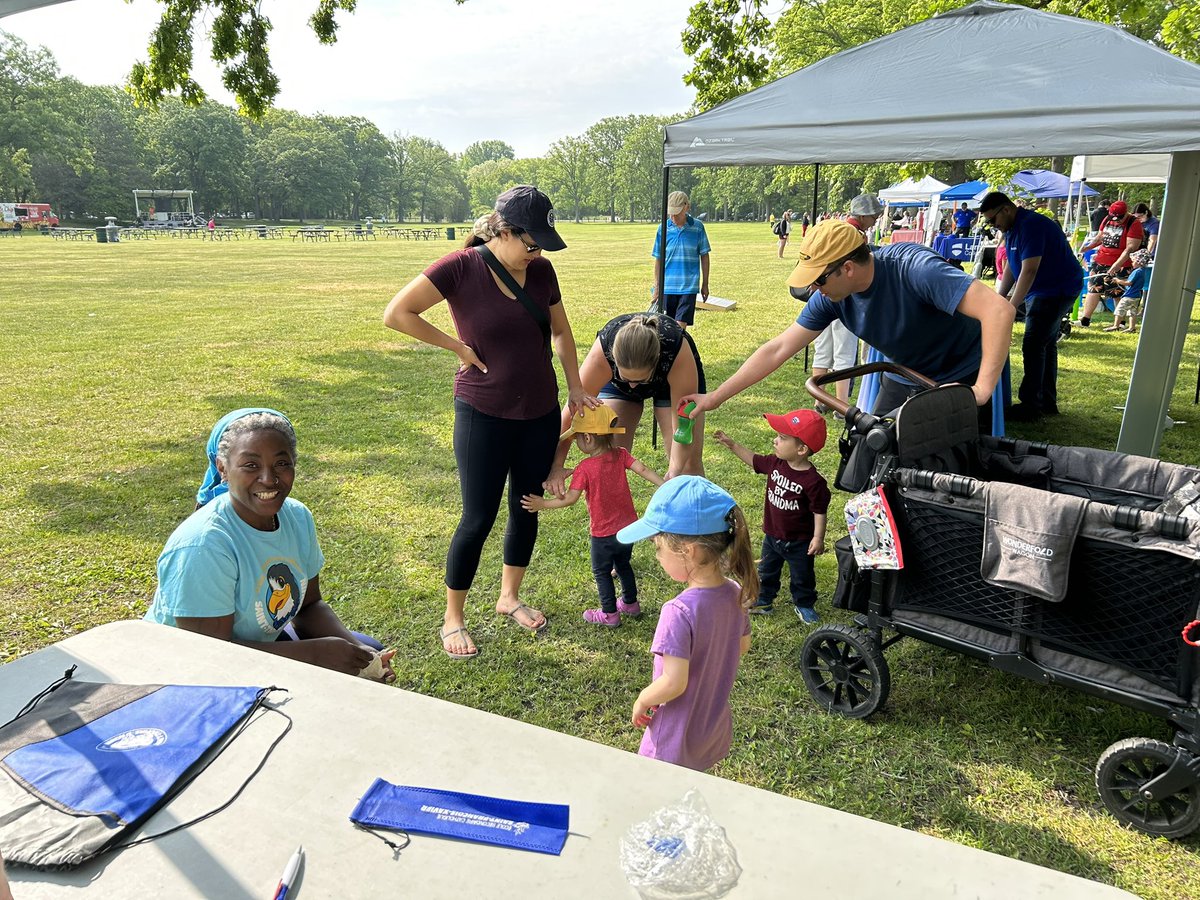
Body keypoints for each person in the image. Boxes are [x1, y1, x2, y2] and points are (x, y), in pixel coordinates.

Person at [383, 185, 593, 659]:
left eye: (542, 244)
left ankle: (508, 597)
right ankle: (452, 618)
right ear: (502, 230)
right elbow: (397, 313)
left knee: (527, 506)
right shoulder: (461, 268)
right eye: (530, 242)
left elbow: (560, 330)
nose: (536, 253)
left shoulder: (541, 271)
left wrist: (576, 386)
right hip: (483, 412)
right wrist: (456, 347)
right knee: (477, 517)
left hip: (539, 410)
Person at [146, 409, 396, 681]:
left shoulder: (297, 517)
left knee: (368, 650)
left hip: (251, 648)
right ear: (222, 468)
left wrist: (358, 651)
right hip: (185, 672)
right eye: (251, 465)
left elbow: (309, 605)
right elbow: (210, 655)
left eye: (281, 464)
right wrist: (313, 656)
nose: (268, 478)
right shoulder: (204, 545)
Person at [685, 220, 1015, 424]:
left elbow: (999, 311)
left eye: (819, 279)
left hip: (962, 374)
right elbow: (778, 349)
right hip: (905, 373)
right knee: (873, 450)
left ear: (847, 268)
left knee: (950, 474)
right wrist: (715, 397)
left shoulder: (914, 269)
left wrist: (980, 391)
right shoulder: (832, 297)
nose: (813, 289)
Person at [620, 476, 757, 772]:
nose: (657, 557)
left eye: (659, 547)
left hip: (673, 739)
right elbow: (742, 646)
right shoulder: (734, 592)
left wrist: (643, 699)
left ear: (689, 550)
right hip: (709, 729)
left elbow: (674, 682)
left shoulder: (678, 611)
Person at [521, 404, 662, 627]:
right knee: (623, 564)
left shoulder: (584, 468)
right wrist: (664, 485)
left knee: (602, 571)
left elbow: (570, 499)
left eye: (577, 438)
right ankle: (631, 604)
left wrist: (542, 504)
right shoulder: (621, 455)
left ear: (587, 438)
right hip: (628, 528)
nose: (576, 443)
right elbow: (643, 469)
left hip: (603, 533)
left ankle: (610, 614)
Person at [551, 312, 706, 494]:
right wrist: (556, 465)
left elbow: (682, 427)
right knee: (608, 459)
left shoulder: (677, 353)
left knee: (688, 467)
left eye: (640, 380)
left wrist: (674, 471)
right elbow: (572, 415)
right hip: (616, 384)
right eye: (627, 378)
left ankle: (695, 516)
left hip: (670, 379)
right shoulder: (602, 355)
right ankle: (615, 519)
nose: (633, 385)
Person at [713, 408, 829, 624]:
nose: (775, 441)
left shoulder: (814, 482)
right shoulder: (776, 464)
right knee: (767, 570)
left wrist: (818, 538)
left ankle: (804, 604)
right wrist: (732, 445)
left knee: (802, 576)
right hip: (773, 535)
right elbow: (753, 460)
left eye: (782, 438)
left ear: (802, 449)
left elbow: (819, 511)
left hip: (800, 541)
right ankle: (764, 600)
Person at [979, 191, 1083, 421]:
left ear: (1006, 209)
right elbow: (1012, 267)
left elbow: (1029, 270)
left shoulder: (1032, 226)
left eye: (993, 220)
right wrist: (1000, 297)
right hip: (1043, 288)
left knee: (1034, 343)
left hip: (1056, 289)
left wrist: (1011, 306)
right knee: (1046, 343)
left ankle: (1030, 405)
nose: (993, 226)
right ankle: (1046, 401)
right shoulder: (1012, 228)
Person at [810, 194, 881, 412]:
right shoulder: (854, 237)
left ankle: (820, 400)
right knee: (844, 350)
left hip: (824, 296)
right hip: (844, 298)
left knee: (823, 348)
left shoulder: (835, 232)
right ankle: (841, 406)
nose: (876, 220)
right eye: (873, 216)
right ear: (862, 215)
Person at [1078, 200, 1143, 327]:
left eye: (1119, 218)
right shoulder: (1107, 219)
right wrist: (1087, 247)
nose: (1116, 221)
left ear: (1125, 213)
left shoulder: (1133, 223)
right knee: (1093, 289)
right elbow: (1100, 237)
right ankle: (1085, 320)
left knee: (1117, 293)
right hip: (1101, 260)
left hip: (1122, 263)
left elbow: (1130, 248)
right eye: (1114, 218)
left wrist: (1117, 264)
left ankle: (1121, 323)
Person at [651, 191, 711, 330]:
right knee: (665, 327)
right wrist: (657, 286)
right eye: (671, 213)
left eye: (676, 213)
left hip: (688, 287)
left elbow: (704, 256)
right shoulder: (663, 229)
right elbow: (658, 259)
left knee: (679, 329)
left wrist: (705, 284)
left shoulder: (697, 227)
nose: (673, 217)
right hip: (667, 287)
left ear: (686, 207)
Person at [1105, 249, 1152, 333]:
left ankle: (1116, 326)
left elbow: (1129, 283)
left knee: (1119, 310)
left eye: (1133, 261)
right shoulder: (1142, 271)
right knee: (1132, 312)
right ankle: (1132, 328)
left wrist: (1118, 281)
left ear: (1138, 262)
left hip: (1129, 295)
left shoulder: (1136, 272)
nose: (1132, 263)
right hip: (1137, 296)